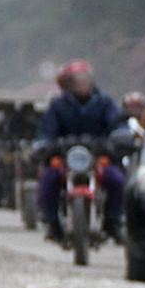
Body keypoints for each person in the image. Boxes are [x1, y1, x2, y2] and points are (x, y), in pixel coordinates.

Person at [35, 59, 125, 243]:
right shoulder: (58, 105)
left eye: (85, 79)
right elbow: (46, 130)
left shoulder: (104, 102)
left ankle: (113, 222)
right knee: (49, 178)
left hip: (98, 155)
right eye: (77, 80)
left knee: (117, 180)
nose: (82, 84)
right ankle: (51, 222)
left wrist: (119, 137)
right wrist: (45, 143)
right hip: (65, 156)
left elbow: (117, 124)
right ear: (68, 84)